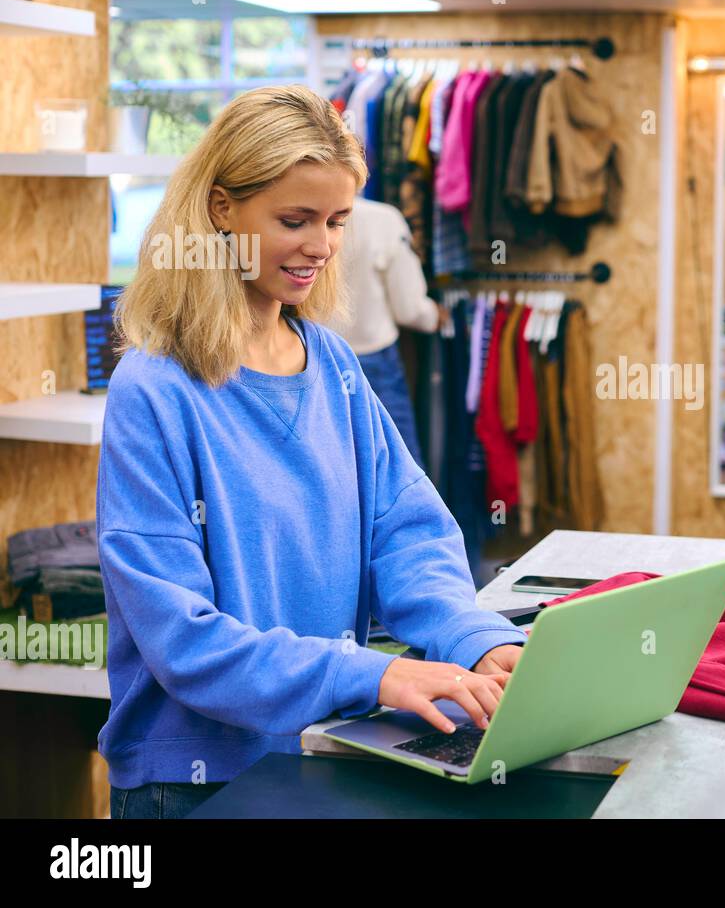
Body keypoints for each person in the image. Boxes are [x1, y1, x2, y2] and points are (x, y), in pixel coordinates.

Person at [99, 84, 527, 819]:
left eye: (336, 221)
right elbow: (182, 638)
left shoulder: (331, 363)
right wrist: (371, 675)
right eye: (294, 220)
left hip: (322, 754)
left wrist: (477, 638)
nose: (322, 246)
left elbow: (409, 534)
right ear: (221, 209)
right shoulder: (154, 390)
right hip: (195, 782)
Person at [327, 196, 442, 472]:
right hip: (375, 360)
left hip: (314, 358)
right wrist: (435, 316)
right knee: (398, 468)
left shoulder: (293, 214)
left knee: (333, 469)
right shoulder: (384, 219)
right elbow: (409, 308)